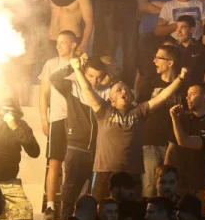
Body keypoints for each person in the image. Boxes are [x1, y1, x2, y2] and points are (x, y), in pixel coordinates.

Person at [70, 55, 189, 199]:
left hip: (132, 172)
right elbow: (87, 89)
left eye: (126, 89)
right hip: (105, 170)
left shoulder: (139, 111)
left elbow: (162, 97)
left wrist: (180, 79)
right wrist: (77, 69)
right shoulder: (104, 111)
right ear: (111, 99)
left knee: (130, 210)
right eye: (119, 90)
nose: (124, 91)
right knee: (101, 207)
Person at [50, 55, 106, 220]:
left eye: (98, 77)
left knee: (91, 198)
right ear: (83, 73)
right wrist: (72, 66)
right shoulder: (73, 87)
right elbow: (54, 78)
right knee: (69, 195)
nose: (94, 81)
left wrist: (111, 72)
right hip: (76, 150)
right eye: (90, 76)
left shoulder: (107, 91)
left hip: (98, 152)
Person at [39, 31, 78, 220]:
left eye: (63, 42)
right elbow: (43, 93)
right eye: (58, 42)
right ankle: (50, 206)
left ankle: (69, 205)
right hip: (56, 118)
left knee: (72, 163)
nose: (59, 45)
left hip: (76, 120)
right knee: (54, 161)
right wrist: (43, 118)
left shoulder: (79, 63)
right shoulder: (51, 64)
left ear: (73, 44)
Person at [138, 44, 185, 197]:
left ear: (170, 63)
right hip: (150, 143)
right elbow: (140, 109)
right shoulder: (150, 83)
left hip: (174, 144)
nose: (154, 61)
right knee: (149, 188)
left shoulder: (184, 86)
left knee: (172, 189)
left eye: (158, 58)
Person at [164, 83, 205, 200]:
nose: (187, 97)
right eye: (187, 94)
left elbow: (184, 141)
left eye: (193, 94)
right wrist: (164, 175)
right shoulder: (181, 120)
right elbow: (171, 149)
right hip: (181, 183)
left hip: (203, 184)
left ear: (204, 97)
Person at [135, 0, 174, 85]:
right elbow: (143, 7)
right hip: (147, 35)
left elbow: (175, 9)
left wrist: (153, 3)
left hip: (166, 35)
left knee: (166, 72)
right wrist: (167, 7)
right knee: (145, 72)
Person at [174, 16, 205, 89]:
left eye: (183, 27)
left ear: (192, 30)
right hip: (177, 89)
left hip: (197, 90)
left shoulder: (202, 49)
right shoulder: (173, 50)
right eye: (177, 27)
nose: (178, 31)